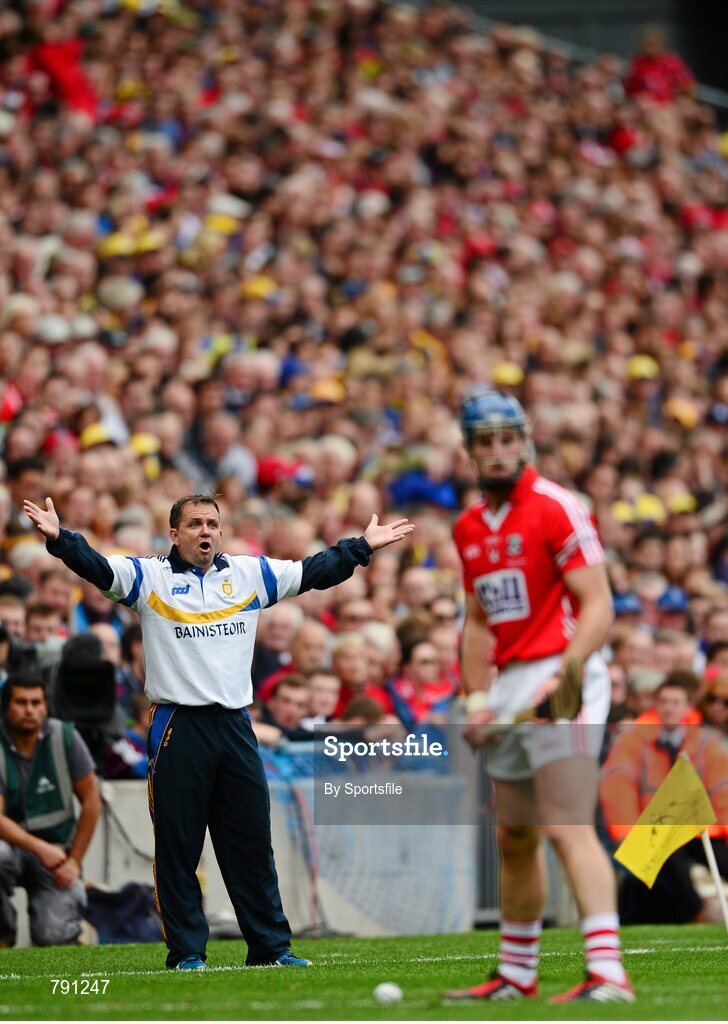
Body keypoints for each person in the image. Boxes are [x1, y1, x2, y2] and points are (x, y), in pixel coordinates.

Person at [23, 491, 413, 971]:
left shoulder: (249, 574)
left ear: (221, 531)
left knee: (251, 842)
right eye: (194, 524)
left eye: (212, 523)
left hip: (235, 724)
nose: (205, 531)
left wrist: (362, 547)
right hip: (178, 725)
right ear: (174, 534)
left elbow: (312, 572)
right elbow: (98, 567)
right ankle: (187, 952)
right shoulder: (150, 577)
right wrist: (61, 539)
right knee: (178, 845)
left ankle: (271, 949)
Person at [445, 391, 633, 1004]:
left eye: (507, 438)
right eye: (484, 441)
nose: (497, 450)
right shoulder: (469, 526)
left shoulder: (558, 507)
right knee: (514, 837)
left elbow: (599, 605)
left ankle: (608, 974)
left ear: (524, 440)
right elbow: (477, 623)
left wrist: (569, 673)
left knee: (566, 826)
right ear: (470, 450)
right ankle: (517, 976)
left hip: (564, 672)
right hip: (509, 687)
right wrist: (476, 701)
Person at [601, 675, 728, 923]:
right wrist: (628, 835)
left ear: (688, 706)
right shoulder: (634, 740)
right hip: (655, 831)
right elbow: (618, 782)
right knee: (669, 863)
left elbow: (722, 790)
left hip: (699, 828)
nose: (669, 708)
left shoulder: (706, 743)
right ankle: (698, 911)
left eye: (676, 702)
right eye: (664, 702)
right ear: (656, 705)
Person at [0, 673, 101, 947]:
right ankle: (3, 938)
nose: (30, 710)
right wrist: (39, 847)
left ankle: (76, 927)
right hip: (13, 849)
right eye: (21, 702)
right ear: (6, 706)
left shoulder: (65, 736)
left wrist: (74, 862)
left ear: (46, 706)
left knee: (54, 937)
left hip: (58, 856)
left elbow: (92, 801)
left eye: (36, 702)